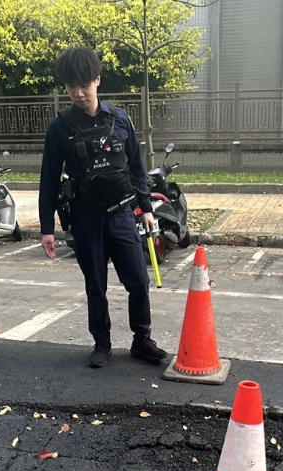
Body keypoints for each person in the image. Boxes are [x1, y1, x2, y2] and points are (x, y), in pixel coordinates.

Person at [38, 46, 168, 369]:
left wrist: (147, 208)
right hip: (85, 218)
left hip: (122, 213)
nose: (79, 93)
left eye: (84, 84)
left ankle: (142, 339)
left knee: (138, 280)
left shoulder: (120, 119)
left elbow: (136, 168)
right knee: (96, 284)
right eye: (71, 86)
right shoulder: (60, 127)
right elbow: (49, 180)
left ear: (97, 79)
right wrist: (46, 228)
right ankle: (102, 342)